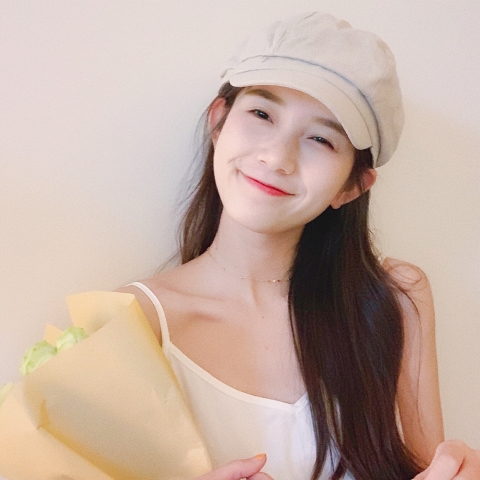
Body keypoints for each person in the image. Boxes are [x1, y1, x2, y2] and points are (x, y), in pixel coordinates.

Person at [119, 12, 480, 480]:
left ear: (352, 186)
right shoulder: (132, 320)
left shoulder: (395, 299)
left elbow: (428, 467)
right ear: (219, 121)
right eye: (262, 114)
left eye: (321, 139)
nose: (277, 157)